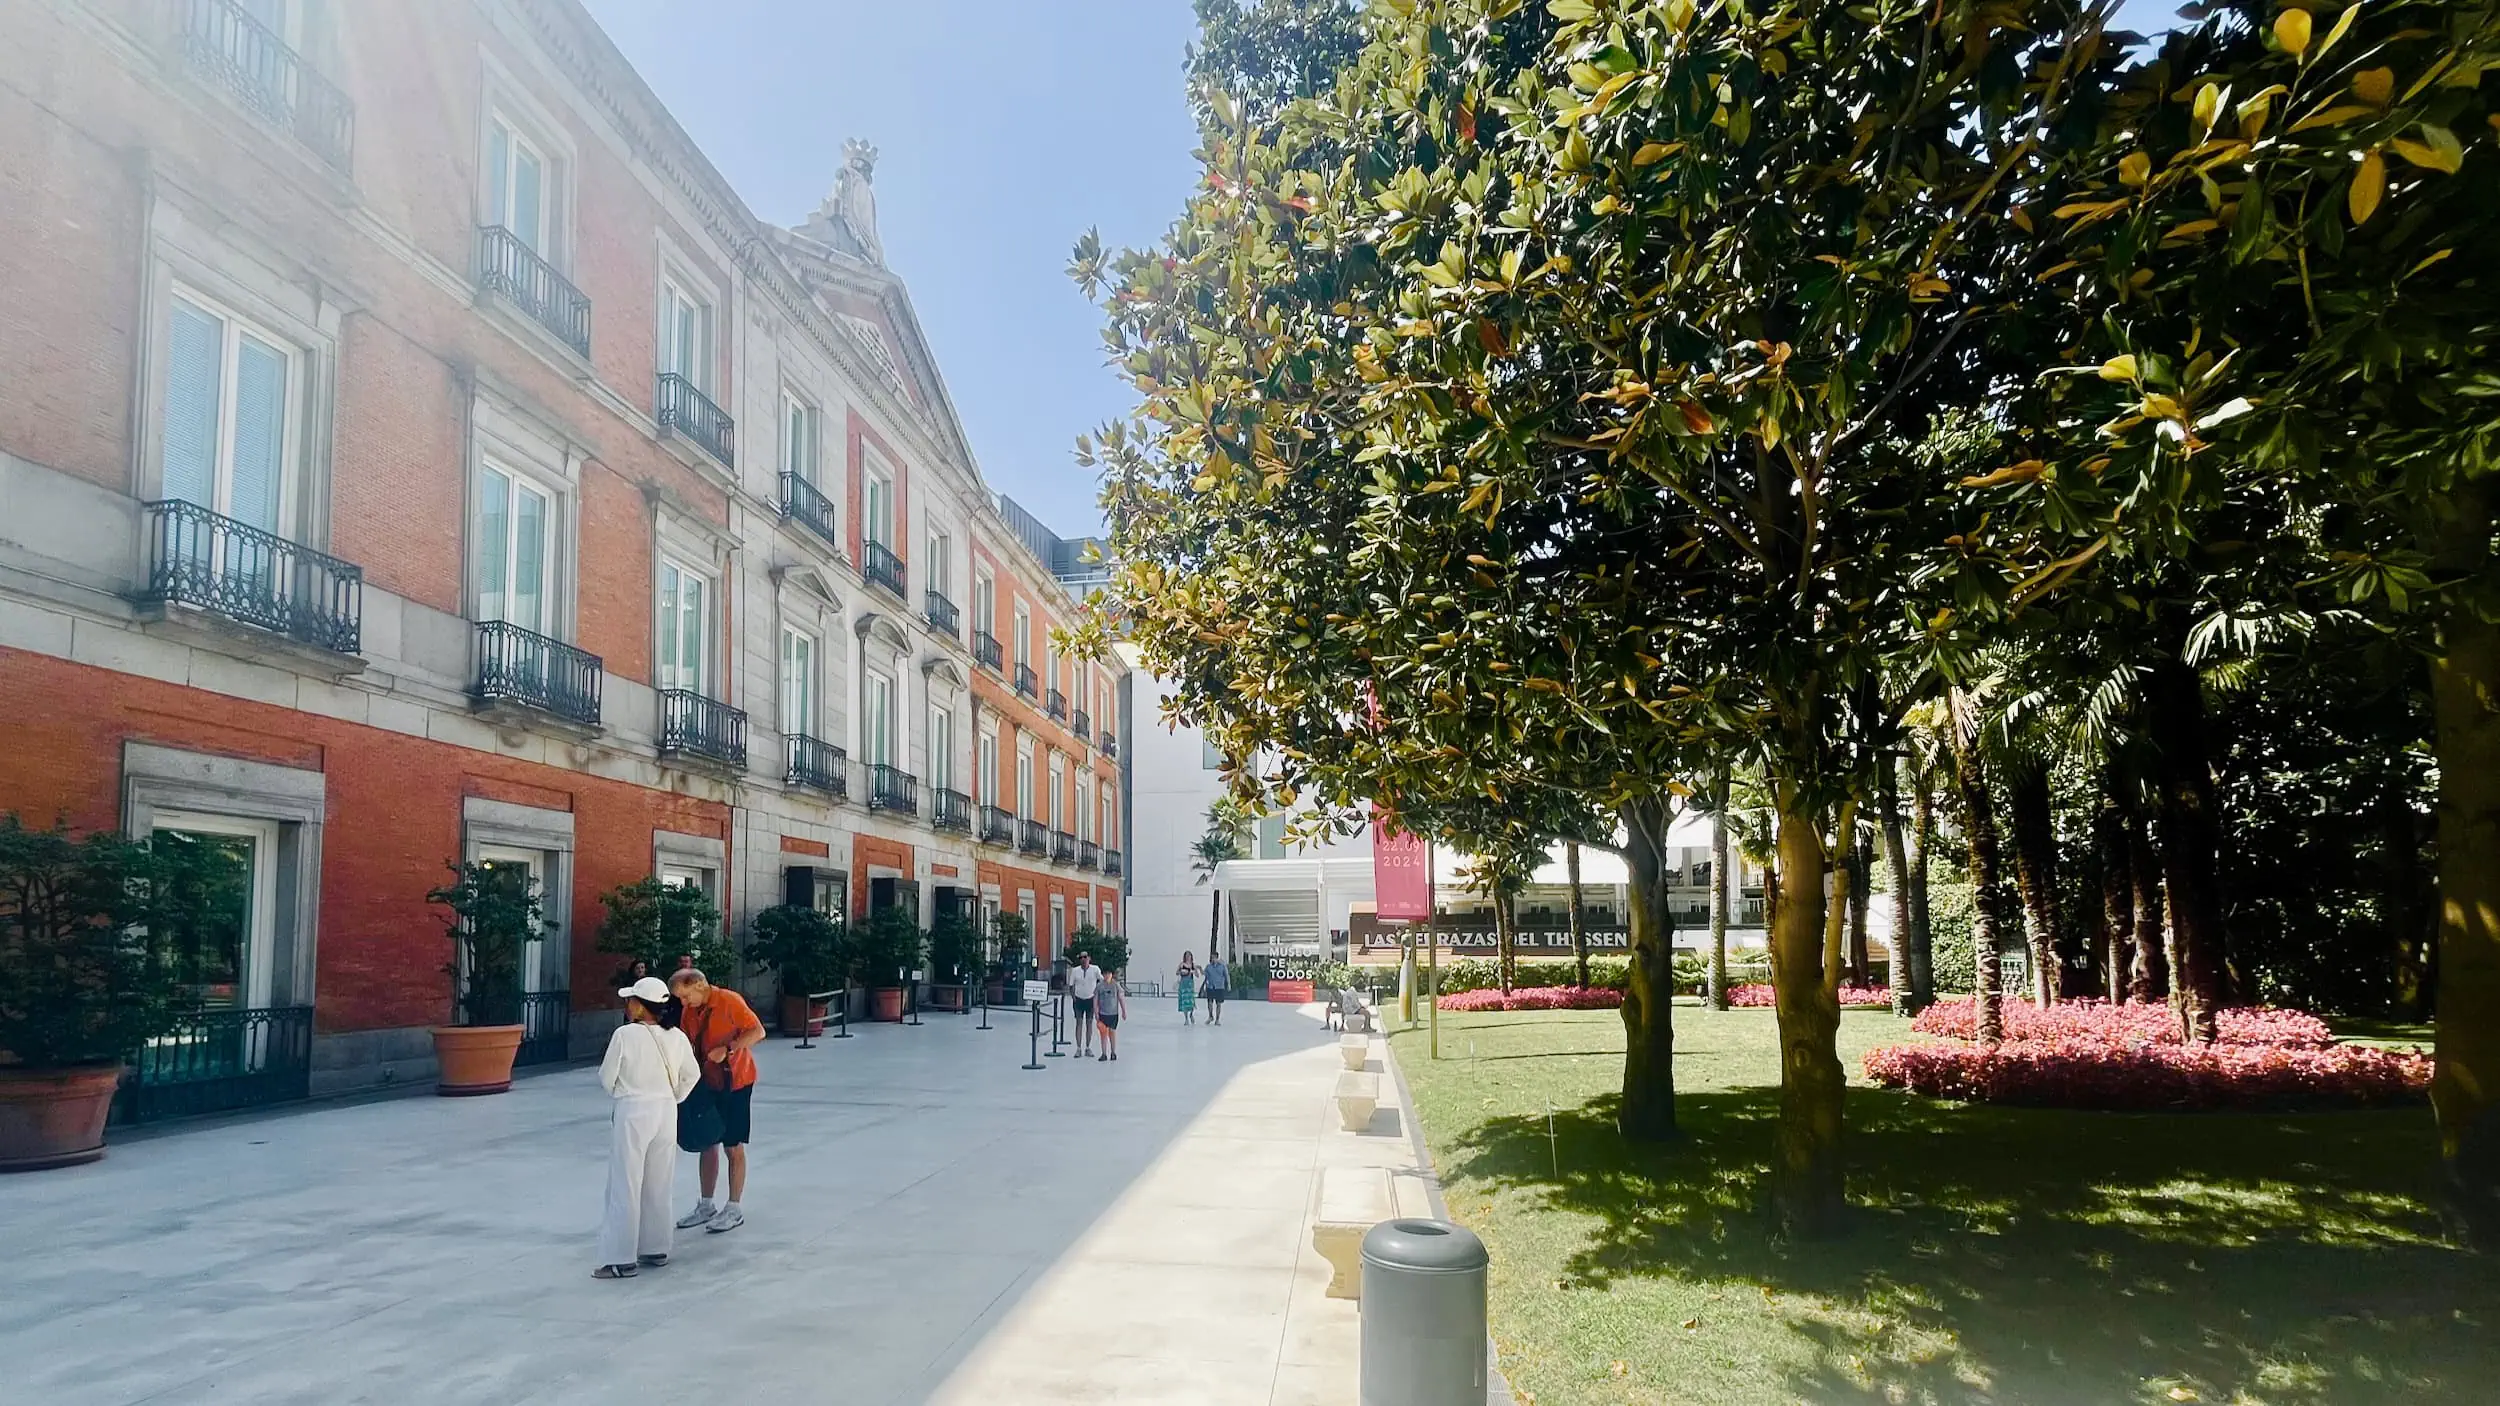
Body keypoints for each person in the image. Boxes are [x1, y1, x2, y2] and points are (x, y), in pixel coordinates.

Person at [595, 977, 699, 1279]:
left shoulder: (624, 1035)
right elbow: (691, 1075)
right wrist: (672, 1096)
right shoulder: (677, 1037)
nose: (627, 1005)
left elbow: (606, 1077)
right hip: (666, 1110)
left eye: (631, 1000)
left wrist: (624, 1094)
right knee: (659, 1179)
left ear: (641, 1006)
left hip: (633, 1109)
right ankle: (656, 1247)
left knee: (625, 1182)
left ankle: (620, 1257)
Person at [669, 967, 764, 1234]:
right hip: (706, 1083)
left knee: (733, 1145)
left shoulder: (730, 1001)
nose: (684, 1003)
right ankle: (706, 1204)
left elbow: (757, 1031)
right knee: (707, 1140)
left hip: (736, 1082)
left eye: (686, 996)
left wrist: (729, 1049)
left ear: (700, 984)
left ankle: (734, 1208)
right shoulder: (690, 1011)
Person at [1066, 950, 1101, 1058]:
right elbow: (1071, 985)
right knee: (1079, 1023)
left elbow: (1102, 981)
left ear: (1089, 958)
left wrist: (1097, 996)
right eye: (1081, 958)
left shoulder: (1095, 969)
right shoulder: (1075, 971)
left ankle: (1088, 1047)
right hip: (1079, 999)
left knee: (1089, 1023)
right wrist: (1073, 997)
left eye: (1085, 957)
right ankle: (1078, 1048)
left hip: (1091, 999)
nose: (1083, 959)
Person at [1095, 967, 1127, 1061]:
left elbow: (1121, 998)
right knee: (1103, 1034)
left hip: (1113, 1013)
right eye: (1105, 974)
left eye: (1109, 974)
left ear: (1111, 975)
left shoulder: (1116, 985)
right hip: (1102, 1013)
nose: (1107, 976)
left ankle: (1113, 1052)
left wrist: (1124, 1011)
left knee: (1112, 1033)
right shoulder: (1099, 986)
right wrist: (1096, 1012)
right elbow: (1095, 999)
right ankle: (1104, 1053)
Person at [1201, 953, 1229, 1026]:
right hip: (1210, 986)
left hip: (1219, 987)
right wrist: (1200, 969)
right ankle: (1210, 1016)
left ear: (1217, 958)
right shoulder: (1208, 966)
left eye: (1214, 958)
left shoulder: (1222, 966)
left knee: (1218, 1004)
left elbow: (1226, 975)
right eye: (1212, 958)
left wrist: (1228, 984)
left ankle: (1217, 1019)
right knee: (1210, 1003)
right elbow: (1204, 974)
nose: (1213, 959)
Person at [1176, 951, 1199, 1026]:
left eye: (1189, 955)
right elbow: (1177, 972)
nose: (1188, 957)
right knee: (1184, 1001)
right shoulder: (1182, 964)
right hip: (1183, 983)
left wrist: (1193, 972)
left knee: (1191, 1001)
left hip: (1190, 984)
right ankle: (1186, 1019)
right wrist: (1182, 972)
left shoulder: (1193, 965)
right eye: (1186, 955)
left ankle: (1191, 1014)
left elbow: (1197, 975)